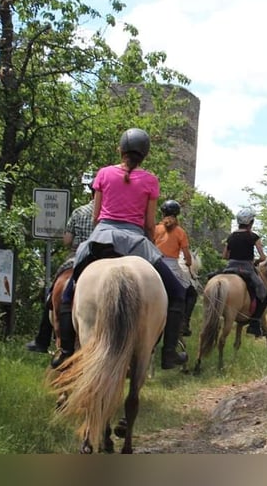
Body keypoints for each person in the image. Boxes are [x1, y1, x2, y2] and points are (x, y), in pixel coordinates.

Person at [54, 127, 188, 370]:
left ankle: (65, 351)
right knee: (178, 292)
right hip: (137, 242)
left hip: (101, 237)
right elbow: (149, 223)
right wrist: (149, 245)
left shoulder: (103, 174)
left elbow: (96, 216)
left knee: (67, 292)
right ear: (145, 155)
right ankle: (169, 353)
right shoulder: (150, 180)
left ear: (120, 149)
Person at [25, 175, 95, 354]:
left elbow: (67, 240)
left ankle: (42, 340)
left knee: (51, 293)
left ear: (92, 193)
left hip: (78, 255)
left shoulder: (79, 212)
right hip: (100, 257)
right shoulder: (107, 214)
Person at [154, 199, 199, 337]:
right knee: (191, 293)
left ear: (162, 213)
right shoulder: (180, 232)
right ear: (177, 214)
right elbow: (186, 255)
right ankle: (183, 324)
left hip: (155, 263)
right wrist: (189, 264)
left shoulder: (155, 229)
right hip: (172, 266)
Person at [222, 207, 267, 337]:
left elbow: (225, 256)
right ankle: (254, 323)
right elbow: (263, 257)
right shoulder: (254, 236)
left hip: (230, 268)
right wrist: (257, 262)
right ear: (251, 222)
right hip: (247, 268)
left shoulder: (231, 237)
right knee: (263, 292)